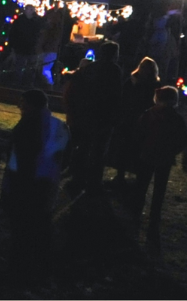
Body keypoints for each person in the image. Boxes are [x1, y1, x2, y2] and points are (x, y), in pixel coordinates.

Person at [5, 89, 68, 284]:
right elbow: (66, 159)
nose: (19, 106)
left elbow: (17, 158)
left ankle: (19, 270)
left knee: (22, 228)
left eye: (23, 103)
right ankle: (42, 268)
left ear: (32, 105)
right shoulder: (60, 126)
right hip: (47, 184)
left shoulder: (26, 126)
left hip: (25, 184)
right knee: (42, 225)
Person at [132, 86, 187, 257]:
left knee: (141, 186)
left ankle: (136, 214)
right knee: (159, 191)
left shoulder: (149, 114)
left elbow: (138, 133)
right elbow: (181, 140)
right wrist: (172, 152)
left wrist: (141, 148)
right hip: (164, 158)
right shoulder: (177, 119)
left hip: (147, 155)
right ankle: (153, 221)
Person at [64, 40, 123, 196]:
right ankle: (93, 182)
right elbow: (115, 96)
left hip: (86, 114)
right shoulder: (114, 70)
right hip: (102, 116)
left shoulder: (90, 68)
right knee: (98, 151)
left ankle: (78, 179)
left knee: (83, 148)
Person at [108, 57, 160, 187]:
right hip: (136, 119)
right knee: (131, 148)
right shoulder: (152, 84)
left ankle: (122, 175)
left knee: (127, 148)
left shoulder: (134, 82)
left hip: (132, 119)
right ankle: (129, 176)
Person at [9, 5, 44, 87]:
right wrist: (13, 47)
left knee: (30, 68)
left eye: (32, 9)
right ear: (25, 10)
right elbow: (13, 34)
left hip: (32, 49)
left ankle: (28, 84)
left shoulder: (36, 21)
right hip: (20, 48)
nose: (31, 11)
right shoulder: (19, 20)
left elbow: (39, 34)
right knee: (19, 67)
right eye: (29, 9)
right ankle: (17, 84)